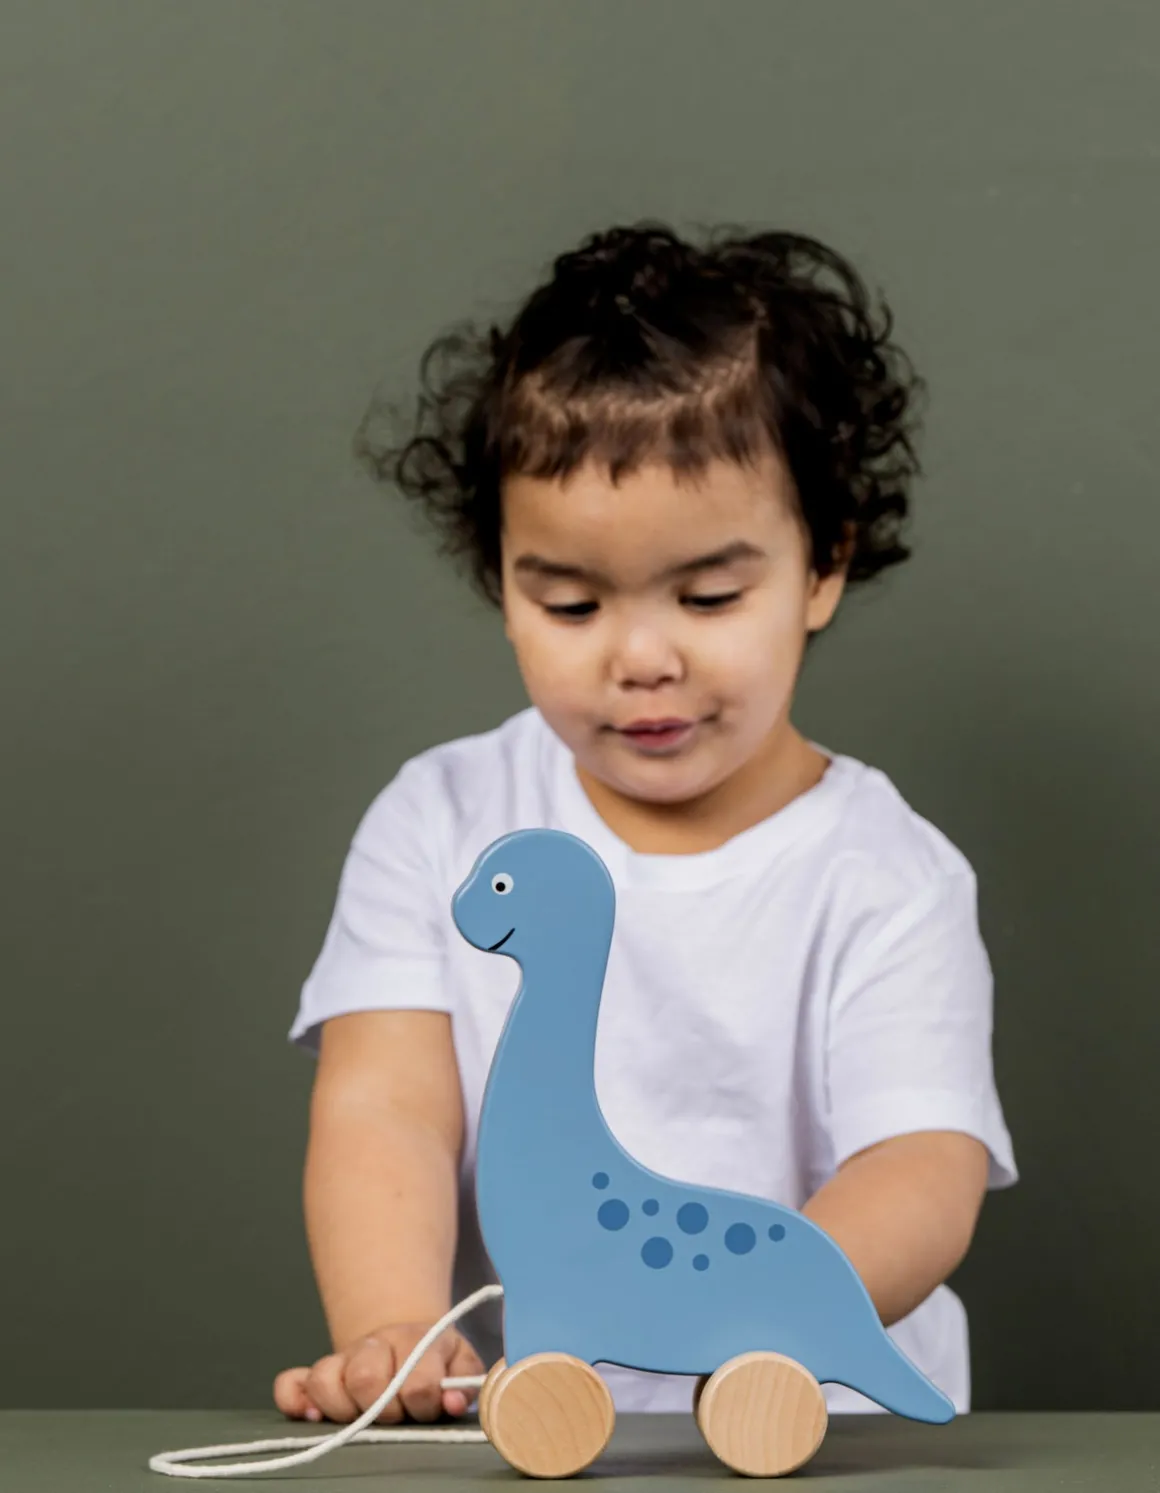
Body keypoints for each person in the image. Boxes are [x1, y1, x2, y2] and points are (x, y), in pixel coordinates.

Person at [273, 220, 1017, 1429]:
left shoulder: (889, 875)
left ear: (821, 565)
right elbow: (386, 1105)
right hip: (533, 1426)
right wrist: (397, 1328)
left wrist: (741, 1325)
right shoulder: (439, 819)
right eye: (569, 604)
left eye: (708, 595)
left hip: (815, 1425)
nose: (640, 657)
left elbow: (919, 1167)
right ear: (502, 582)